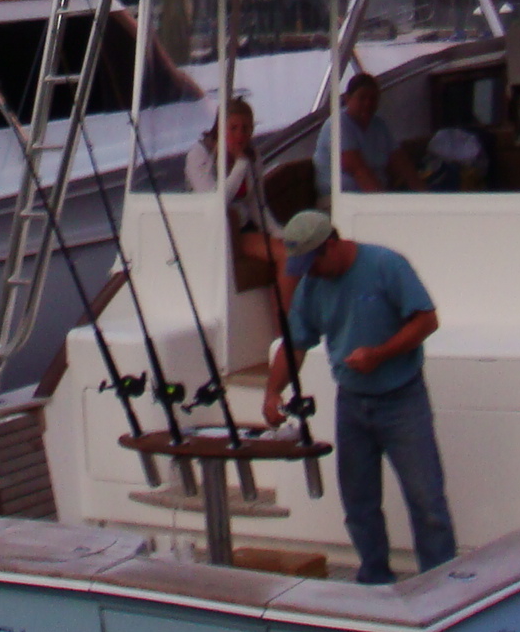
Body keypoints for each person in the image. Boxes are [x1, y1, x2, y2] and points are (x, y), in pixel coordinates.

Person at [261, 209, 456, 583]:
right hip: (351, 402)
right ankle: (374, 579)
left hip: (403, 399)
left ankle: (441, 582)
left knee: (426, 500)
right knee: (359, 504)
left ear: (331, 244)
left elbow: (426, 319)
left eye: (312, 263)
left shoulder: (386, 265)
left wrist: (380, 354)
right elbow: (295, 343)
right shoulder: (312, 286)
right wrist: (272, 392)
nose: (309, 274)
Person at [187, 96, 272, 285]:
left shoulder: (252, 154)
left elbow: (257, 206)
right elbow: (215, 203)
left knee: (291, 251)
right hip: (212, 234)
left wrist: (278, 232)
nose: (240, 135)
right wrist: (240, 165)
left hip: (242, 228)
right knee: (284, 256)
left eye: (246, 128)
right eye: (233, 128)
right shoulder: (200, 155)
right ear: (220, 129)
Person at [315, 71, 399, 196]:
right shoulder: (338, 124)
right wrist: (385, 207)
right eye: (362, 98)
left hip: (370, 198)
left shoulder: (379, 125)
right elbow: (359, 172)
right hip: (338, 202)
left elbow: (401, 161)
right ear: (348, 99)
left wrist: (423, 195)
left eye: (373, 98)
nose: (368, 103)